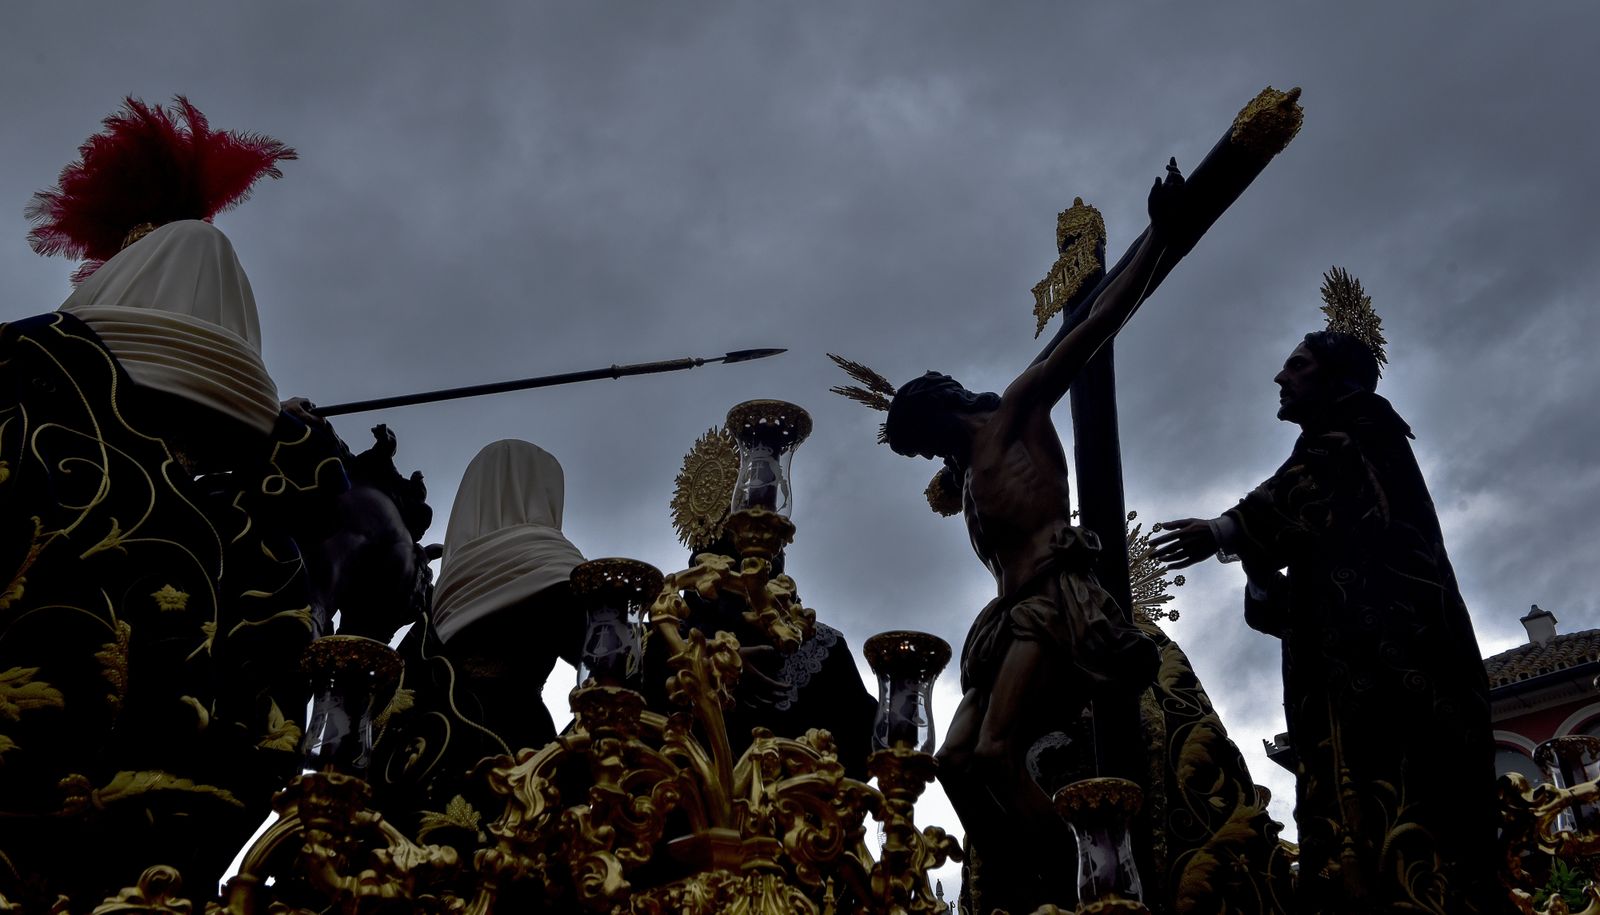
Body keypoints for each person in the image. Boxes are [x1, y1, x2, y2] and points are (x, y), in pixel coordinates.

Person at [879, 161, 1188, 907]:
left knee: (992, 750)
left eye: (920, 444)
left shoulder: (1013, 414)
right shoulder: (967, 470)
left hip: (1055, 601)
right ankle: (1017, 874)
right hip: (1008, 615)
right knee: (953, 760)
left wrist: (1162, 241)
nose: (927, 461)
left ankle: (1071, 881)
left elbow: (1093, 327)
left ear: (935, 416)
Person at [1152, 331, 1503, 913]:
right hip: (1338, 677)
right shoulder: (1326, 447)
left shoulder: (1364, 430)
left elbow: (1302, 495)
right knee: (1341, 821)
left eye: (1297, 365)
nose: (1280, 377)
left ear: (1337, 376)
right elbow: (1293, 576)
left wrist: (1224, 531)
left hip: (1397, 663)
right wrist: (1260, 569)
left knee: (1406, 819)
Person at [430, 439, 587, 750]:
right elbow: (603, 649)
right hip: (516, 741)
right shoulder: (546, 558)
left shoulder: (447, 581)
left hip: (442, 740)